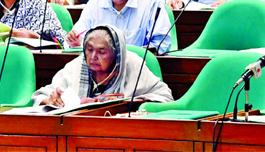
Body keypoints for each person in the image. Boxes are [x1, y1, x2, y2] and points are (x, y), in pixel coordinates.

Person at [33, 25, 173, 107]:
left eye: (102, 52)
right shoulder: (76, 65)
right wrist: (51, 100)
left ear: (116, 54)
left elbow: (165, 96)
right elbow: (39, 95)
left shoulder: (133, 64)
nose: (93, 57)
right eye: (89, 50)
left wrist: (125, 103)